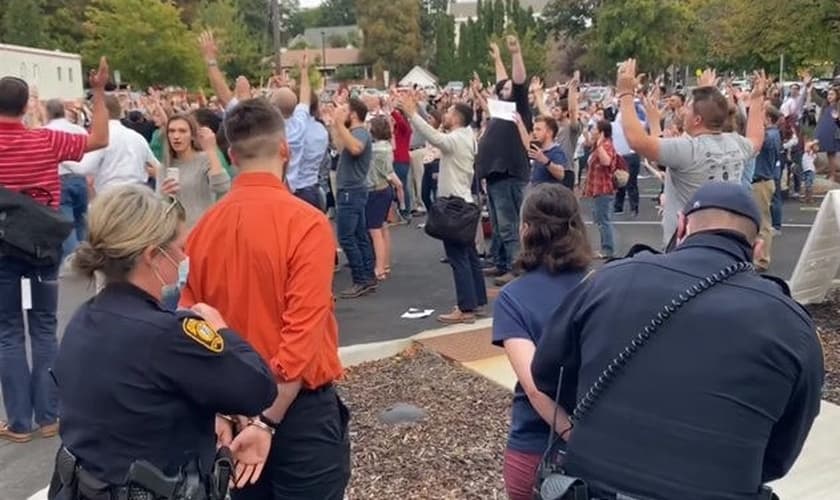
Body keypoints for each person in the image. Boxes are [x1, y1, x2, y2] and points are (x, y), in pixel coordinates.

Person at [532, 182, 824, 500]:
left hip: (593, 487)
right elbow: (780, 453)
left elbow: (548, 373)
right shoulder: (792, 325)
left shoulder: (608, 281)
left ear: (682, 225)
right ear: (756, 249)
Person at [49, 185, 278, 500]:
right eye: (179, 247)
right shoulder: (168, 335)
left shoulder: (84, 321)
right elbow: (257, 389)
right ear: (153, 255)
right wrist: (221, 330)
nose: (185, 257)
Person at [180, 98, 351, 500]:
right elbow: (302, 334)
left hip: (235, 404)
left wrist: (221, 409)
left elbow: (190, 324)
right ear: (285, 149)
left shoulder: (204, 229)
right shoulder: (305, 223)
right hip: (296, 413)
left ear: (231, 154)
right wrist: (267, 422)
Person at [0, 59, 110, 444]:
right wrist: (97, 91)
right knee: (45, 328)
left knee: (8, 332)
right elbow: (99, 139)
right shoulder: (46, 140)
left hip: (1, 248)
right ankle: (49, 415)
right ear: (26, 106)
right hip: (41, 245)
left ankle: (18, 422)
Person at [492, 184, 592, 500]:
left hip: (538, 447)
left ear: (525, 230)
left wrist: (572, 436)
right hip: (602, 444)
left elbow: (536, 387)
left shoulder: (513, 298)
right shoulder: (600, 286)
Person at [617, 59, 766, 245]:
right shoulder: (735, 143)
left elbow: (637, 140)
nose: (682, 113)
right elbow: (757, 139)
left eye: (688, 109)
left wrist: (625, 93)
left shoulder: (688, 150)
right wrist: (757, 99)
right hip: (726, 241)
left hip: (688, 245)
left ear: (697, 120)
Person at [400, 94, 488, 324]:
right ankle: (476, 301)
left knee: (458, 257)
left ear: (457, 117)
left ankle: (465, 308)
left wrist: (412, 115)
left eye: (449, 112)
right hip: (464, 201)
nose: (445, 115)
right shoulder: (468, 135)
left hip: (454, 204)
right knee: (468, 255)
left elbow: (434, 137)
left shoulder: (456, 139)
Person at [477, 35, 531, 286]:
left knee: (510, 226)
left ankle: (515, 267)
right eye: (503, 89)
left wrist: (515, 53)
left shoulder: (517, 106)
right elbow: (502, 81)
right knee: (500, 226)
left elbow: (518, 80)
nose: (504, 89)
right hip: (496, 174)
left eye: (508, 88)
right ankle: (501, 263)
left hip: (510, 174)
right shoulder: (500, 109)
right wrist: (498, 58)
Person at [327, 97, 377, 298]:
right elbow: (341, 147)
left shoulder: (361, 132)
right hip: (352, 190)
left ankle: (361, 279)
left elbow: (356, 148)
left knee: (346, 237)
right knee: (359, 235)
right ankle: (367, 275)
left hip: (351, 191)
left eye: (345, 110)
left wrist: (339, 123)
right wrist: (335, 125)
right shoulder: (354, 133)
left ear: (353, 114)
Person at [157, 113, 230, 229]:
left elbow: (222, 187)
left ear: (192, 135)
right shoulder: (165, 166)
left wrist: (211, 149)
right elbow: (159, 206)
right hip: (177, 233)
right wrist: (164, 194)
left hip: (204, 229)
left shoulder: (205, 159)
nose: (176, 136)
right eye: (171, 131)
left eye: (182, 131)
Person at [43, 99, 90, 259]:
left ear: (47, 113)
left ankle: (73, 264)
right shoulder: (79, 130)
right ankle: (86, 259)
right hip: (80, 178)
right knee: (81, 223)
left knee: (67, 228)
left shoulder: (45, 132)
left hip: (59, 179)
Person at [366, 116, 404, 281]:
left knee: (375, 231)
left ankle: (379, 268)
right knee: (383, 227)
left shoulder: (374, 151)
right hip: (385, 190)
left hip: (376, 190)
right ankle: (385, 263)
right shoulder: (387, 146)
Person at [583, 120, 619, 259]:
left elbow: (606, 162)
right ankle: (606, 247)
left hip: (604, 189)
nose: (592, 131)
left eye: (594, 129)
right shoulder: (597, 146)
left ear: (602, 132)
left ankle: (608, 249)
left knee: (604, 220)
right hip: (596, 189)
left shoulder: (606, 145)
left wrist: (599, 145)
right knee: (600, 219)